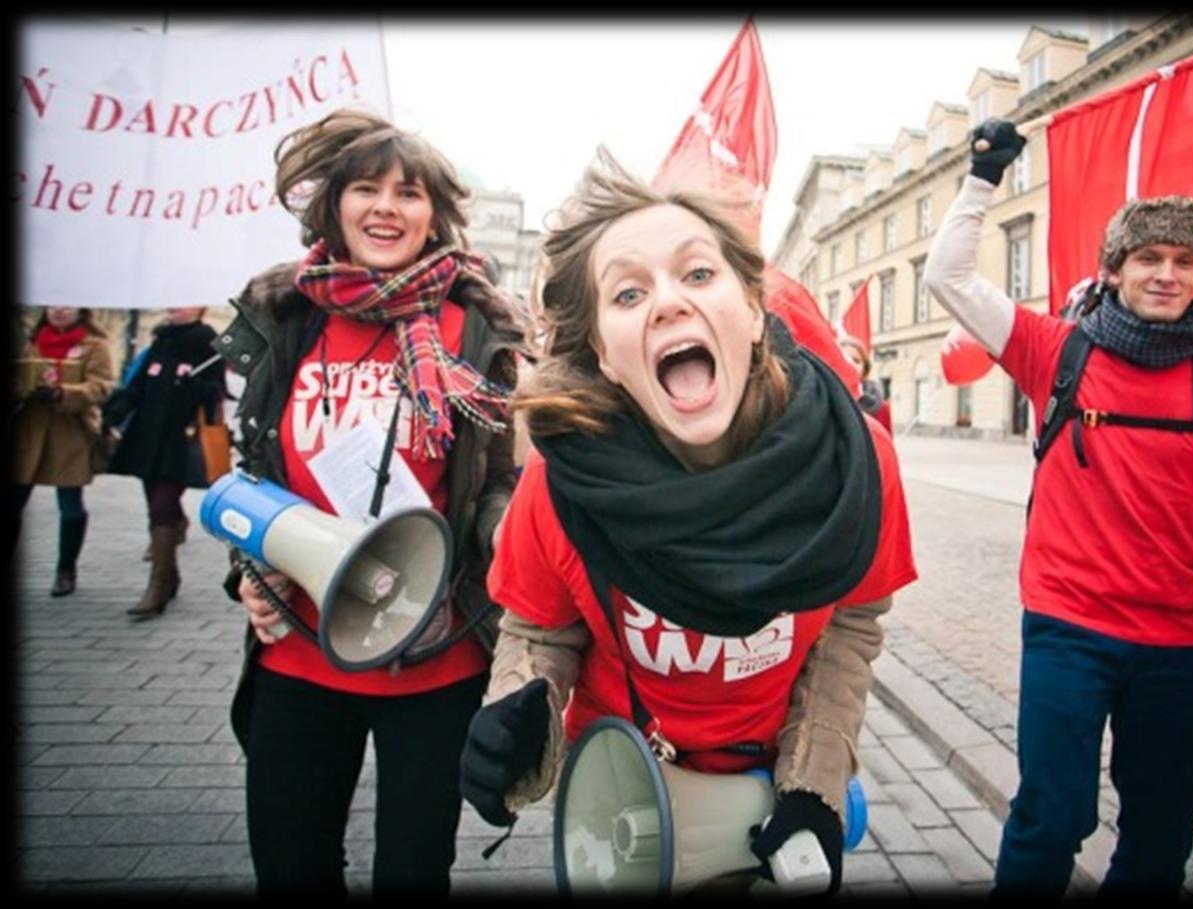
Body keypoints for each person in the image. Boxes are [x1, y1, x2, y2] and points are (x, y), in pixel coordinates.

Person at [459, 150, 917, 896]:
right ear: (604, 353)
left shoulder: (854, 465)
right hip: (623, 787)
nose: (669, 303)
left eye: (698, 274)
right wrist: (518, 709)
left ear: (752, 309)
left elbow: (851, 623)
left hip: (766, 787)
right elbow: (540, 629)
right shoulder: (559, 483)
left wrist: (813, 779)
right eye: (629, 291)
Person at [924, 119, 1193, 897]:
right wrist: (982, 178)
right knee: (1048, 821)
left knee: (1160, 836)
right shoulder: (1053, 350)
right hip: (1067, 631)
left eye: (1184, 261)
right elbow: (948, 277)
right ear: (1115, 268)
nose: (1165, 273)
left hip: (1180, 645)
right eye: (1148, 258)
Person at [215, 108, 528, 897]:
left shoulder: (473, 332)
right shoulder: (285, 319)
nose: (387, 206)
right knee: (290, 868)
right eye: (367, 187)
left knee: (414, 873)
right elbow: (253, 469)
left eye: (409, 193)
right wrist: (250, 568)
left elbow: (499, 483)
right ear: (335, 206)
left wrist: (502, 547)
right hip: (299, 648)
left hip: (435, 654)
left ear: (434, 218)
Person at [102, 305, 224, 619]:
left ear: (199, 308)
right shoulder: (161, 339)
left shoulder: (208, 343)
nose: (173, 307)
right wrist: (112, 416)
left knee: (162, 507)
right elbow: (138, 386)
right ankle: (170, 577)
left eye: (182, 302)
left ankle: (156, 588)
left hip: (180, 441)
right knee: (153, 506)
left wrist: (192, 384)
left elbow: (216, 393)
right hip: (147, 437)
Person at [12, 306, 115, 596]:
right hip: (28, 431)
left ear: (81, 310)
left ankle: (66, 569)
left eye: (66, 305)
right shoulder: (30, 341)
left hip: (71, 432)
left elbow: (102, 387)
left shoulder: (94, 346)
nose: (58, 311)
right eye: (53, 305)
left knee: (69, 503)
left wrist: (63, 393)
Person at [838, 334, 892, 434]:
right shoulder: (823, 399)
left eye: (856, 360)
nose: (850, 364)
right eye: (844, 359)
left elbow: (886, 445)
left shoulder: (882, 407)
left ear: (865, 368)